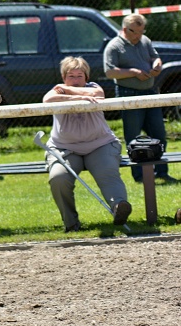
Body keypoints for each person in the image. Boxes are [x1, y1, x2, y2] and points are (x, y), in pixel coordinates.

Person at [43, 57, 132, 230]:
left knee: (107, 172)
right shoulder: (56, 90)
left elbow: (98, 95)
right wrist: (77, 97)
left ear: (87, 78)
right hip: (65, 148)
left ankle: (119, 207)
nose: (76, 81)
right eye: (71, 76)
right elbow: (47, 100)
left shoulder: (93, 87)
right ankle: (71, 224)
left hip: (100, 144)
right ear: (63, 77)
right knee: (58, 178)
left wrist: (68, 92)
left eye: (80, 76)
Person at [103, 14, 176, 183]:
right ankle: (139, 176)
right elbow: (110, 72)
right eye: (135, 32)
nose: (139, 36)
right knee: (133, 136)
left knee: (158, 132)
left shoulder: (145, 41)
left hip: (150, 92)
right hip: (128, 94)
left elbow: (155, 57)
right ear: (125, 29)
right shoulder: (114, 46)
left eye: (142, 31)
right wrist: (133, 72)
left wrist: (157, 64)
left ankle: (162, 172)